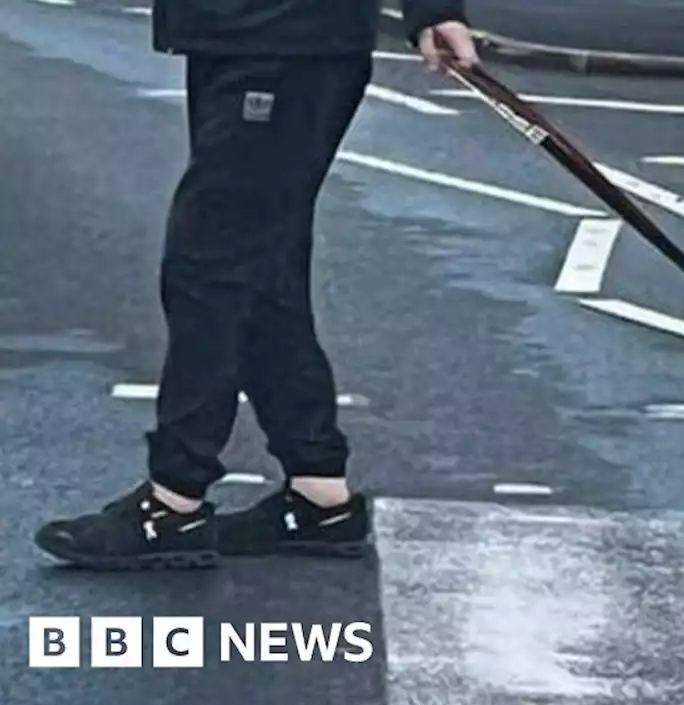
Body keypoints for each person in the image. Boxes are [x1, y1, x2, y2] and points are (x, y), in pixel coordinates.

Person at [33, 0, 477, 570]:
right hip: (245, 35)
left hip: (282, 39)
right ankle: (318, 493)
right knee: (264, 271)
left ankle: (174, 500)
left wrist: (432, 7)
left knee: (208, 268)